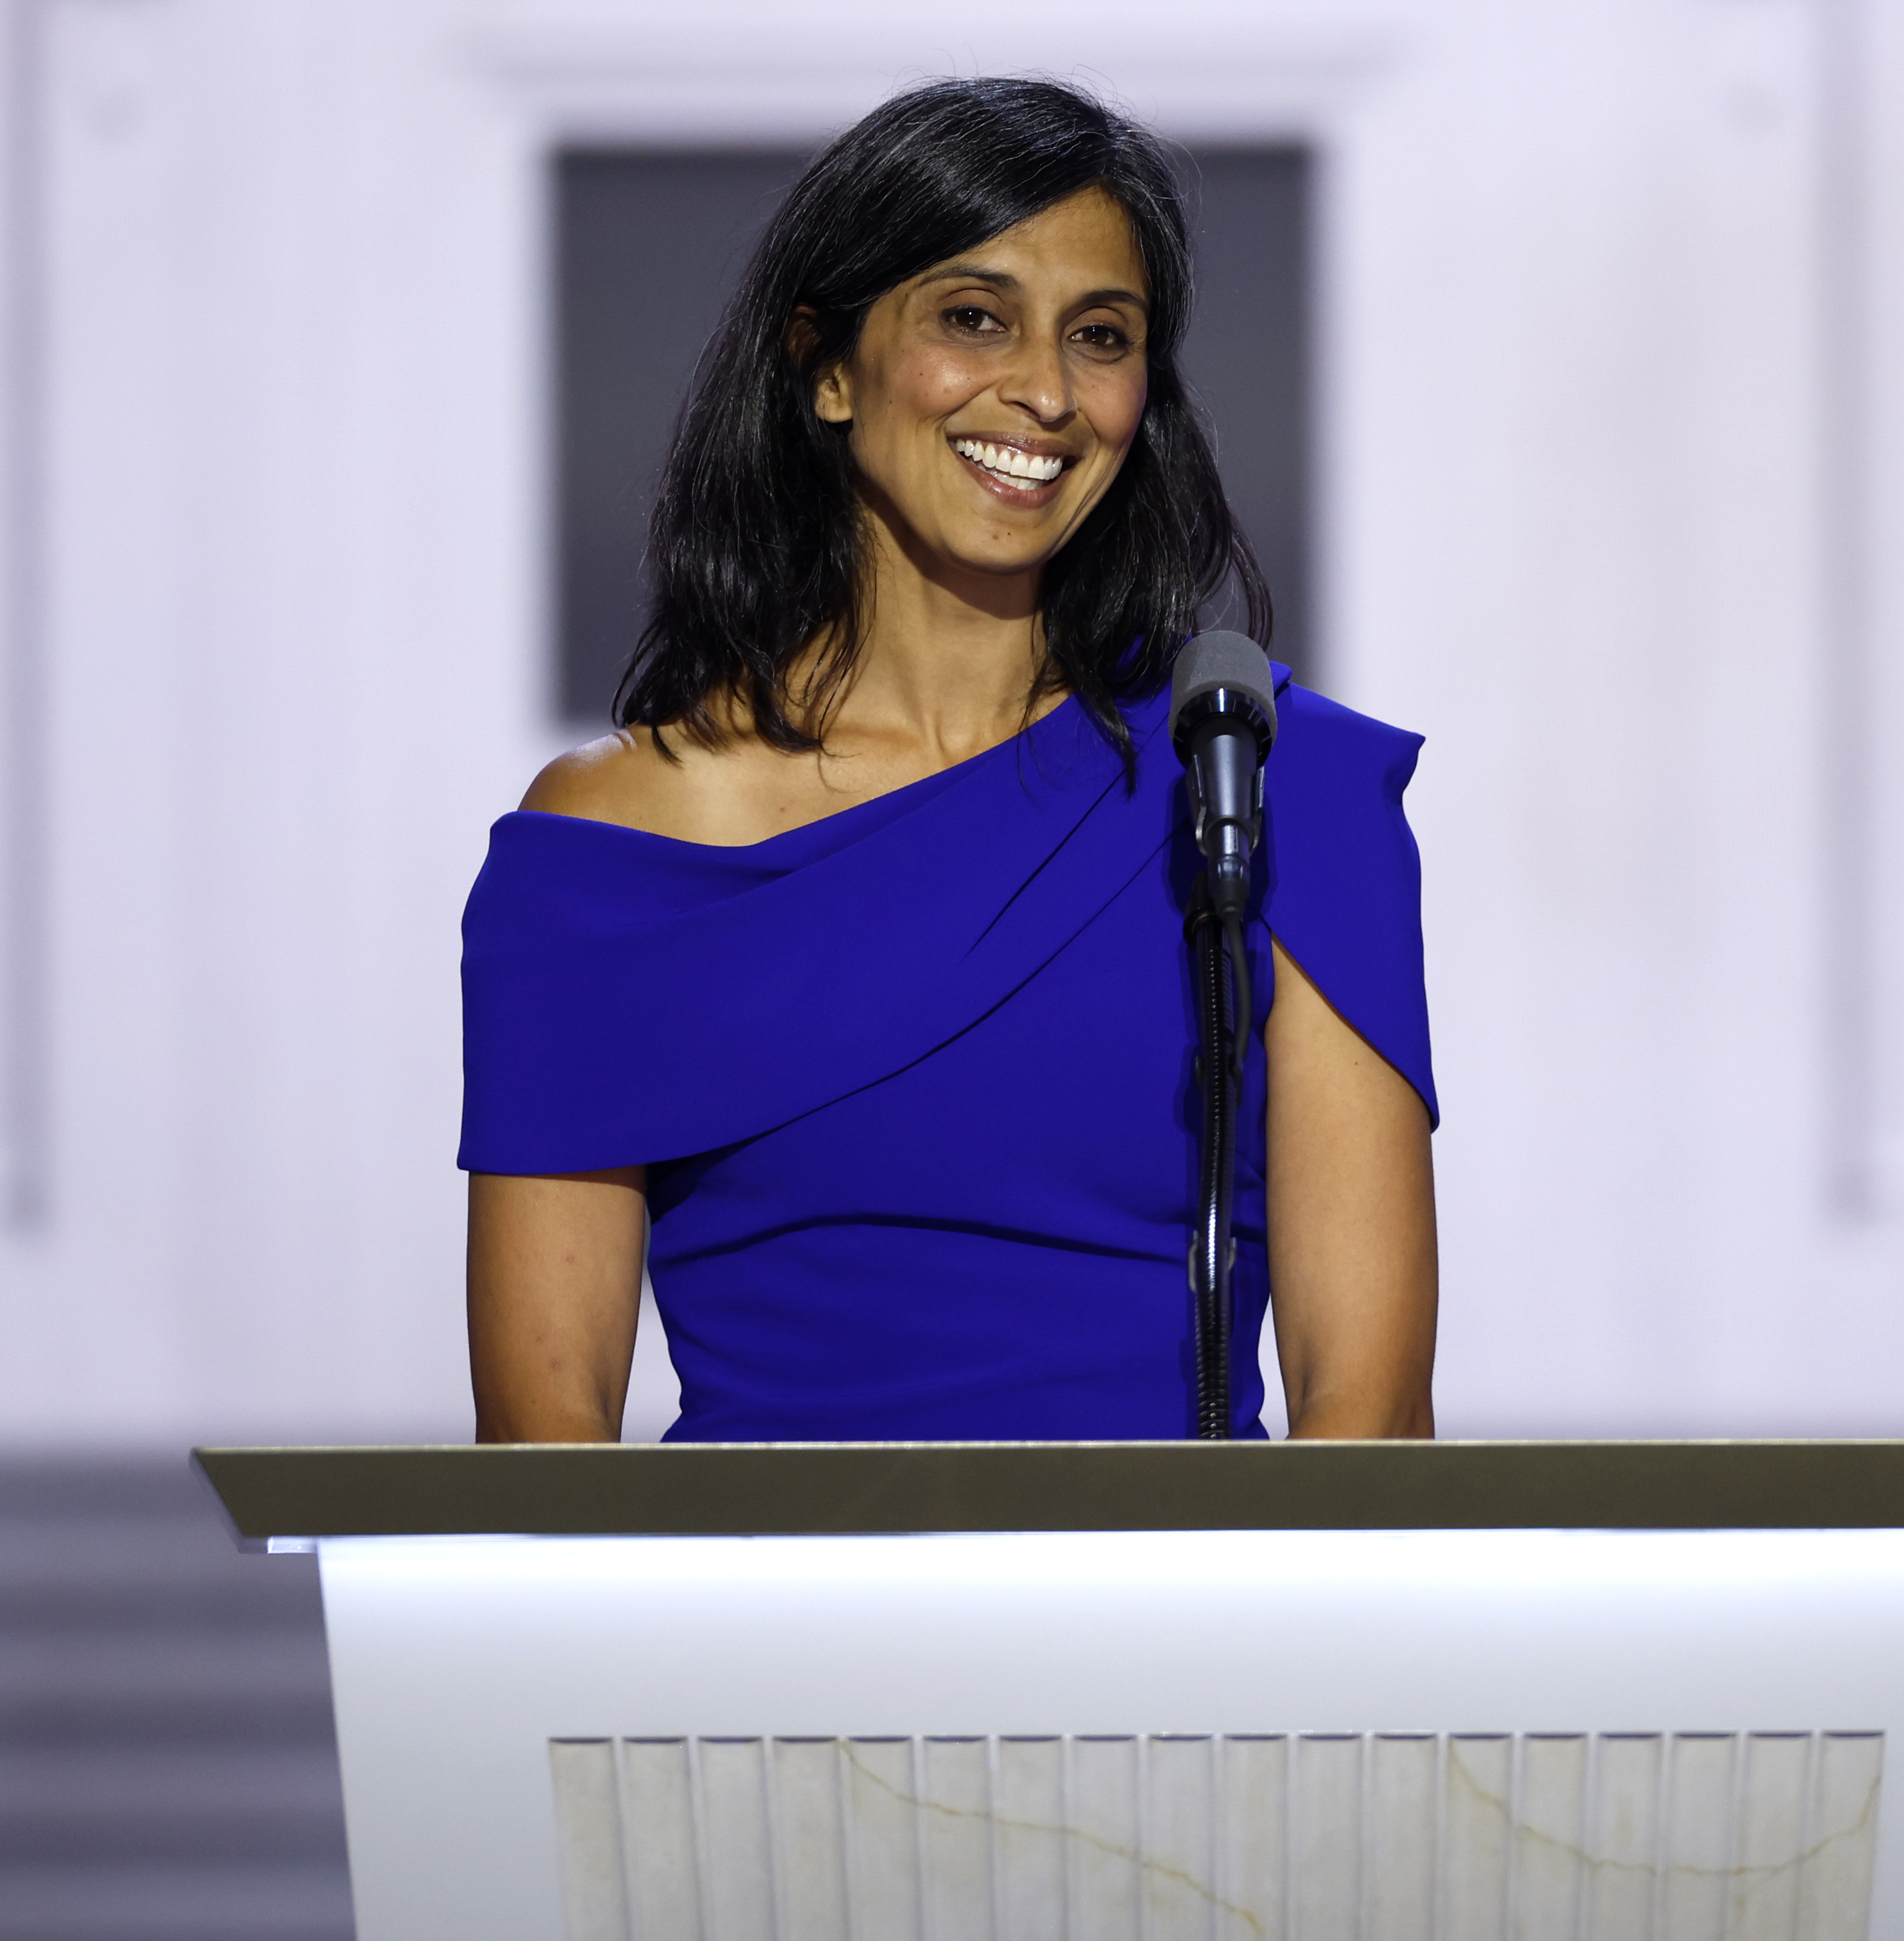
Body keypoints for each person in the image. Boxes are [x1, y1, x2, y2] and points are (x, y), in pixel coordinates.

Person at [461, 77, 1436, 1444]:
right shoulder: (610, 853)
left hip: (1191, 1643)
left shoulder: (1270, 784)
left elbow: (1371, 1412)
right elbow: (541, 1455)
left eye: (1101, 337)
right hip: (751, 1642)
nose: (1042, 391)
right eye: (973, 319)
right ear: (826, 363)